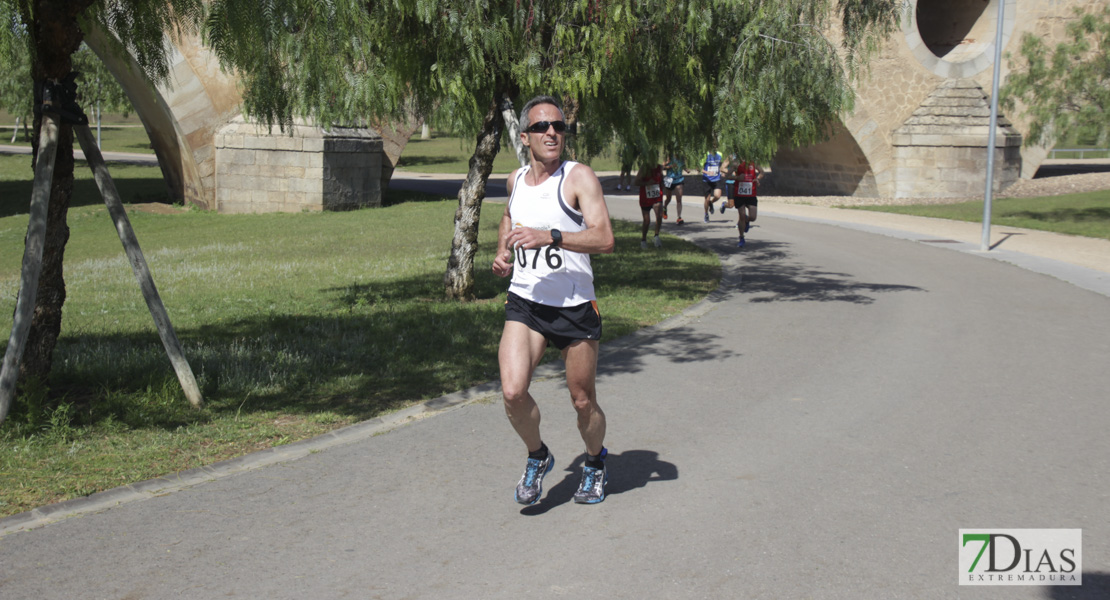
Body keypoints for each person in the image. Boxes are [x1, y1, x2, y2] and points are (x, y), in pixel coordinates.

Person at [491, 95, 616, 506]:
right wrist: (503, 251)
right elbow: (509, 217)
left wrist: (552, 235)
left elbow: (604, 239)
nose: (552, 133)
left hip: (575, 305)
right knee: (512, 391)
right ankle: (538, 455)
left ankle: (595, 461)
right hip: (526, 301)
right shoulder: (515, 180)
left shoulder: (578, 178)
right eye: (543, 127)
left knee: (582, 400)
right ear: (525, 136)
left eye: (559, 127)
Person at [722, 159, 763, 247]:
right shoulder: (736, 163)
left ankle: (747, 221)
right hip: (739, 194)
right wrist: (737, 178)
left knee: (753, 217)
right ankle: (741, 237)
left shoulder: (754, 161)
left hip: (751, 194)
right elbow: (728, 176)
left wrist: (757, 178)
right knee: (741, 215)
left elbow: (762, 172)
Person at [635, 161, 664, 248]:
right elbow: (636, 182)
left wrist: (662, 186)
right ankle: (643, 240)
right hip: (646, 197)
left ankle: (656, 236)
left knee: (659, 216)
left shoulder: (659, 167)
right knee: (647, 221)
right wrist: (647, 183)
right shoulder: (644, 168)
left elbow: (661, 179)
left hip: (657, 196)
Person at [701, 146, 725, 222]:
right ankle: (706, 214)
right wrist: (707, 172)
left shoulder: (720, 154)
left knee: (717, 196)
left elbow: (721, 165)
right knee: (707, 199)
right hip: (707, 180)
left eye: (715, 145)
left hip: (716, 179)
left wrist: (722, 171)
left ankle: (711, 203)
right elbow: (698, 168)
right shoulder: (705, 155)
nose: (714, 147)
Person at [661, 153, 686, 225]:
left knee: (679, 199)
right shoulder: (668, 156)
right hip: (669, 180)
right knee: (668, 198)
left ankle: (679, 217)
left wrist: (686, 169)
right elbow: (662, 167)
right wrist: (670, 165)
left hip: (679, 180)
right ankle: (664, 207)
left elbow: (682, 165)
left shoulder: (682, 157)